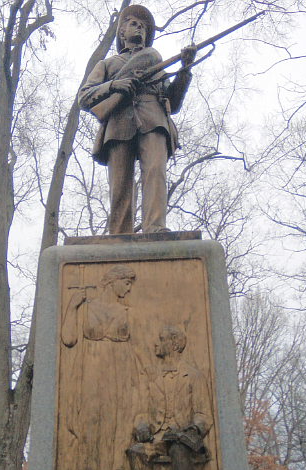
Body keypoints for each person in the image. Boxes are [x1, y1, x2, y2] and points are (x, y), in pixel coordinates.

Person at [78, 5, 196, 234]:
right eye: (134, 23)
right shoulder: (108, 64)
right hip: (119, 124)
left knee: (155, 171)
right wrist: (114, 85)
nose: (139, 28)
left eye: (143, 26)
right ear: (122, 33)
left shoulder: (155, 63)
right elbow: (84, 97)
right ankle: (120, 235)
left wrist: (185, 68)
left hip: (154, 121)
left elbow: (174, 101)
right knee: (120, 183)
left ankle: (155, 228)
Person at [61, 265, 140, 470]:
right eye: (127, 283)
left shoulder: (127, 312)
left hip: (120, 376)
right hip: (91, 374)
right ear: (113, 281)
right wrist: (72, 307)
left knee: (117, 430)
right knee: (90, 427)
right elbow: (68, 339)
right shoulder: (86, 307)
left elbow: (139, 350)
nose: (130, 288)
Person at [127, 326, 213, 470]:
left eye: (161, 340)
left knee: (178, 451)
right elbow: (141, 411)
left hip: (183, 441)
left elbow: (203, 414)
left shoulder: (195, 377)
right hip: (156, 439)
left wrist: (193, 429)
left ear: (175, 345)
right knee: (136, 451)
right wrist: (141, 428)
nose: (156, 343)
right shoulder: (149, 375)